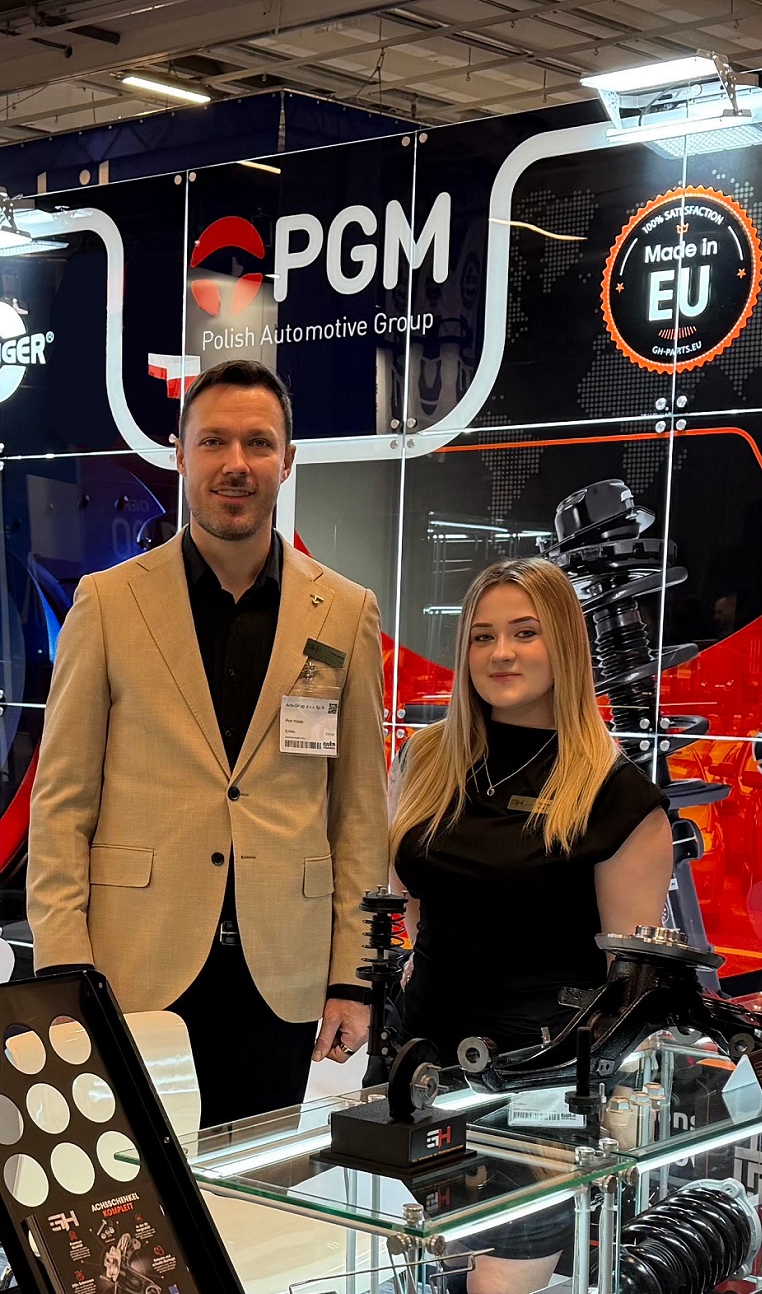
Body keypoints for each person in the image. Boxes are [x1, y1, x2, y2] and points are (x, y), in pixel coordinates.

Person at [27, 359, 389, 1126]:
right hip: (134, 964)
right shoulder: (108, 603)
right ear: (180, 453)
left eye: (259, 443)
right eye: (214, 441)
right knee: (132, 1186)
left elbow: (359, 812)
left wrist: (354, 976)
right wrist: (63, 969)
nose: (236, 464)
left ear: (287, 460)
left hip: (281, 973)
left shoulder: (345, 613)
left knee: (257, 1189)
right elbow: (61, 805)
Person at [391, 555, 674, 1070]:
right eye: (482, 637)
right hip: (416, 1052)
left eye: (525, 633)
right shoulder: (426, 758)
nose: (501, 653)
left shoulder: (616, 794)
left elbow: (628, 985)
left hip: (539, 1074)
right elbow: (417, 896)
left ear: (565, 644)